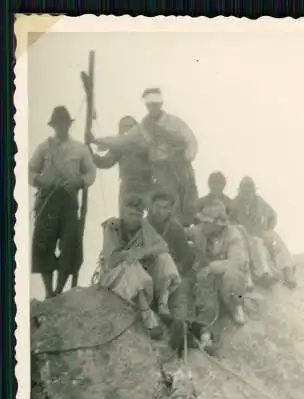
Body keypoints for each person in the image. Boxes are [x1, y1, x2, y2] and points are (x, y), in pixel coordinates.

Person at [89, 87, 199, 226]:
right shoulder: (143, 129)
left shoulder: (174, 122)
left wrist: (183, 159)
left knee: (183, 204)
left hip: (176, 170)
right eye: (149, 104)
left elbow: (191, 142)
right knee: (156, 210)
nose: (152, 107)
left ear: (160, 104)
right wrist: (95, 141)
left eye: (155, 104)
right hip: (156, 175)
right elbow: (121, 142)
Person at [29, 106, 96, 298]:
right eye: (58, 124)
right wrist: (40, 180)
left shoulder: (80, 149)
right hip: (47, 201)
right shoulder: (44, 147)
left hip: (69, 202)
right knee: (43, 245)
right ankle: (49, 292)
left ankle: (60, 290)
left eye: (64, 124)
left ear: (69, 125)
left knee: (71, 244)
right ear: (53, 126)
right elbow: (29, 170)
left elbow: (91, 172)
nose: (61, 127)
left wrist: (79, 182)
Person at [98, 195, 181, 339]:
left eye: (138, 215)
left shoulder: (144, 226)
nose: (134, 219)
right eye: (130, 214)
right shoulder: (112, 228)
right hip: (117, 274)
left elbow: (163, 246)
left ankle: (163, 304)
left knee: (165, 259)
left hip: (140, 270)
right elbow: (110, 261)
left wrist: (142, 252)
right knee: (131, 266)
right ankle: (147, 315)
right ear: (123, 212)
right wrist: (127, 254)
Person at [186, 200, 249, 327]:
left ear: (216, 224)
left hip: (225, 275)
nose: (202, 224)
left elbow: (236, 261)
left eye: (206, 222)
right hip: (206, 278)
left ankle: (236, 306)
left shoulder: (233, 235)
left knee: (232, 275)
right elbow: (180, 233)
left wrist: (212, 267)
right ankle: (205, 320)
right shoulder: (198, 231)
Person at [147, 191, 196, 351]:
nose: (161, 211)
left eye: (165, 208)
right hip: (149, 273)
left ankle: (179, 326)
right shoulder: (143, 226)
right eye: (158, 207)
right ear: (151, 208)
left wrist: (175, 272)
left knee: (180, 293)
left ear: (170, 210)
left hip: (171, 274)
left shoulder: (175, 228)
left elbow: (187, 257)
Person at [231, 176, 297, 288]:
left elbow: (272, 215)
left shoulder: (259, 201)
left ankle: (287, 269)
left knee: (275, 238)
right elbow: (229, 222)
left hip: (260, 233)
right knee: (256, 243)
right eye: (246, 191)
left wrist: (268, 229)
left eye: (251, 191)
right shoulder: (234, 204)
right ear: (240, 191)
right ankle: (262, 274)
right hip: (245, 237)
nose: (249, 195)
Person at [93, 115, 152, 215]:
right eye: (123, 127)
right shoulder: (119, 146)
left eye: (130, 126)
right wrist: (92, 157)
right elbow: (107, 162)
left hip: (147, 186)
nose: (126, 129)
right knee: (127, 219)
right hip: (128, 186)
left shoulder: (144, 142)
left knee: (155, 218)